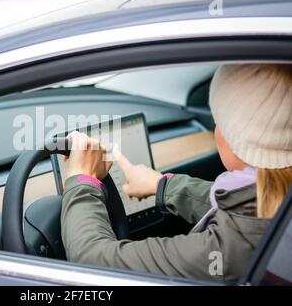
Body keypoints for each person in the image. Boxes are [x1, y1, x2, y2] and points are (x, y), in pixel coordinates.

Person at [61, 64, 292, 283]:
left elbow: (90, 260)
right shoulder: (276, 206)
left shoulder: (233, 250)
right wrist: (162, 186)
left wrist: (83, 179)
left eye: (218, 121)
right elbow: (246, 206)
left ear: (235, 142)